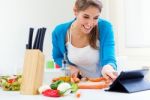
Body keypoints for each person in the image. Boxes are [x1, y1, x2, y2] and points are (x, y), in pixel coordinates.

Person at [52, 0, 118, 82]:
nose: (90, 23)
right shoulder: (59, 32)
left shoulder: (105, 27)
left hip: (102, 84)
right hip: (77, 85)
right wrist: (70, 67)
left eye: (96, 18)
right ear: (75, 11)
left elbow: (109, 59)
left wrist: (108, 67)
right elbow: (57, 57)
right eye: (86, 17)